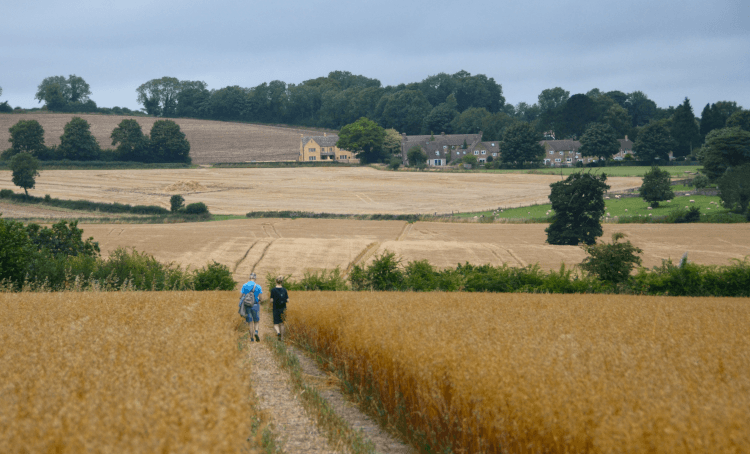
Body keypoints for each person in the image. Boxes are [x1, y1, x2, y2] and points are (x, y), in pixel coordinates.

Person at [239, 272, 263, 342]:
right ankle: (256, 332)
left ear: (249, 278)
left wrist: (241, 299)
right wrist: (260, 301)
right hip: (255, 305)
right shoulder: (258, 286)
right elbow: (261, 298)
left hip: (247, 306)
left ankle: (252, 338)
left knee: (250, 322)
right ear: (255, 278)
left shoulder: (245, 285)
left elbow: (241, 296)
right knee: (256, 321)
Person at [270, 276, 289, 341]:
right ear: (282, 282)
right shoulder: (284, 290)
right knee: (282, 323)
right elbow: (288, 300)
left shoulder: (273, 290)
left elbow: (271, 300)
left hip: (275, 308)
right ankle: (282, 338)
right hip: (283, 308)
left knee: (276, 324)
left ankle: (278, 333)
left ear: (276, 281)